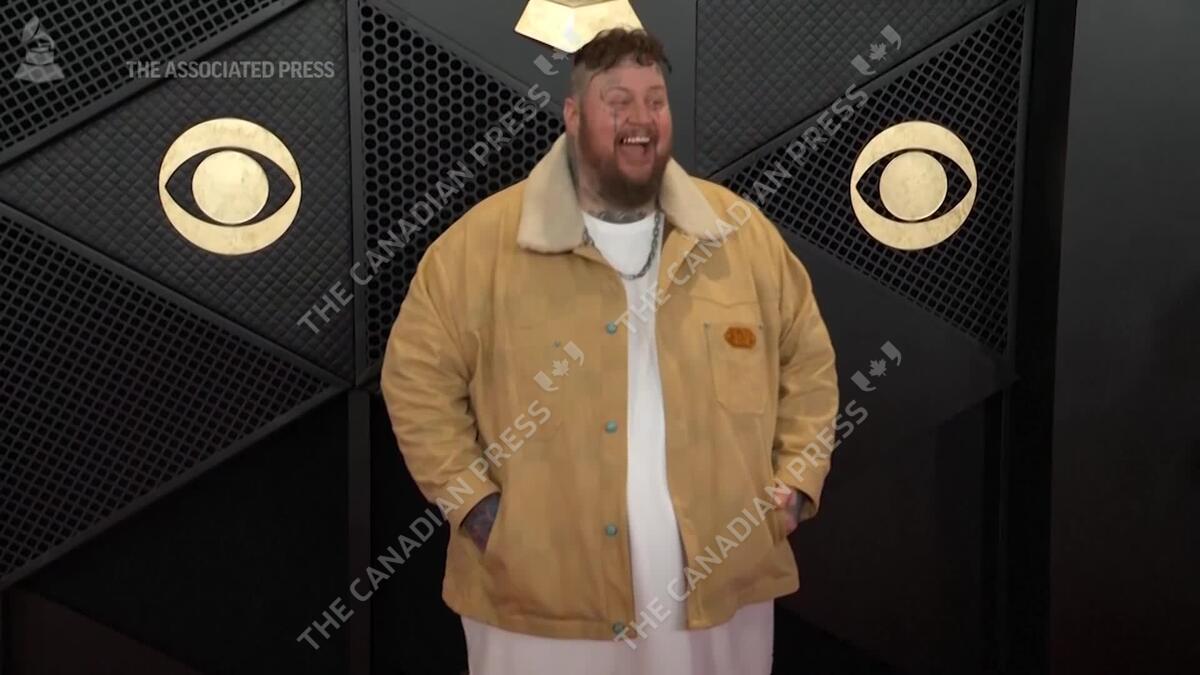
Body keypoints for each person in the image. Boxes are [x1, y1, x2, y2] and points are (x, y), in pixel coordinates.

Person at [380, 27, 839, 675]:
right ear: (573, 115)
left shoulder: (740, 236)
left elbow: (808, 364)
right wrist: (479, 510)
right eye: (617, 101)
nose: (640, 119)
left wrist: (794, 486)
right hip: (539, 603)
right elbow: (416, 384)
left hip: (719, 597)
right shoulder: (478, 249)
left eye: (655, 100)